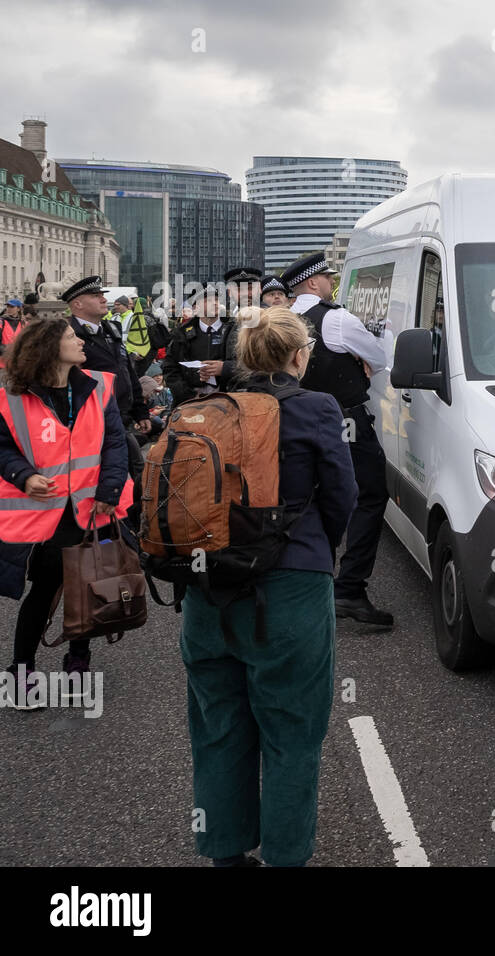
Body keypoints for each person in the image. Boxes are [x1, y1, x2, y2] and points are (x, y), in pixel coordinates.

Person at [180, 306, 357, 866]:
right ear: (299, 357)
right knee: (292, 731)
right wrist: (313, 548)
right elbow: (342, 496)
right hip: (290, 590)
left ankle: (226, 852)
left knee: (218, 727)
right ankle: (285, 855)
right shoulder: (316, 408)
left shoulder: (199, 410)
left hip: (207, 589)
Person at [0, 318, 131, 708]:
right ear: (48, 348)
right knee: (45, 592)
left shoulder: (98, 385)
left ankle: (78, 662)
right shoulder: (11, 396)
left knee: (90, 587)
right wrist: (23, 476)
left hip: (95, 507)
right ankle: (21, 673)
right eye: (71, 337)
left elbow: (116, 443)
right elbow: (3, 447)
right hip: (49, 513)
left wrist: (110, 488)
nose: (80, 341)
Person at [285, 251, 393, 626]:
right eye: (328, 278)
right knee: (369, 496)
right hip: (343, 421)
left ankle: (304, 587)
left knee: (304, 499)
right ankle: (348, 589)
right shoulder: (337, 319)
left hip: (290, 421)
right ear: (314, 282)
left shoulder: (278, 320)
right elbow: (378, 359)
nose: (332, 283)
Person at [64, 276, 150, 527]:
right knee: (113, 476)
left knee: (133, 474)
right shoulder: (70, 336)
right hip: (92, 424)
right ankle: (113, 531)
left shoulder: (110, 329)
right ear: (77, 304)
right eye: (96, 296)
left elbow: (127, 371)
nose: (104, 300)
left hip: (120, 416)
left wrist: (140, 410)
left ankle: (131, 527)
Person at [162, 284, 239, 405]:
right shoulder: (181, 334)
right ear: (195, 308)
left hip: (228, 400)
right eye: (208, 300)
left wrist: (225, 368)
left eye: (217, 299)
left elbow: (249, 365)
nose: (215, 303)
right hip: (191, 401)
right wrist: (188, 395)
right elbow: (170, 369)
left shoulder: (235, 331)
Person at [2, 297, 26, 367]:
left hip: (18, 362)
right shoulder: (1, 322)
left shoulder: (24, 324)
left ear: (18, 309)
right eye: (7, 306)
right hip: (3, 362)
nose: (9, 308)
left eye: (12, 307)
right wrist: (7, 351)